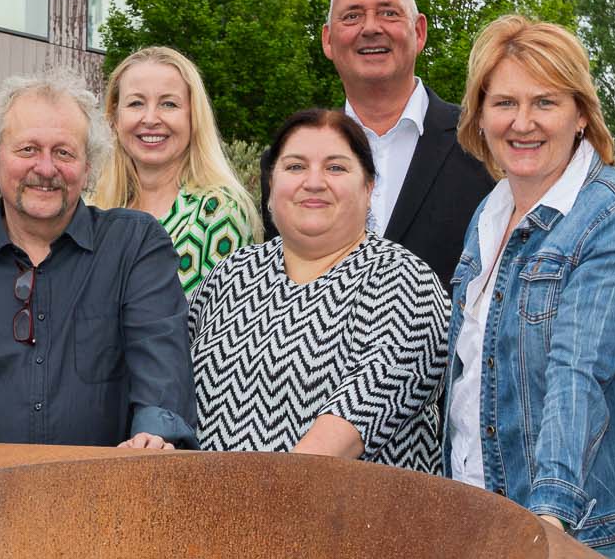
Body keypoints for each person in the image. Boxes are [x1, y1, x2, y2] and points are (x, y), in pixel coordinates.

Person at [443, 17, 615, 559]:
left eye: (544, 102)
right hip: (481, 511)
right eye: (504, 103)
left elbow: (579, 370)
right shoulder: (490, 212)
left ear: (581, 114)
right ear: (480, 115)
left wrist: (549, 513)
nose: (522, 122)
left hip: (580, 529)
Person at [0, 75, 195, 449]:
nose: (45, 169)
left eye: (64, 153)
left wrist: (155, 436)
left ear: (88, 168)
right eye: (28, 149)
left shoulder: (135, 246)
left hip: (106, 482)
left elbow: (161, 359)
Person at [190, 111, 449, 470]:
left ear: (369, 187)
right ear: (272, 182)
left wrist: (256, 499)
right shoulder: (231, 273)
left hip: (347, 504)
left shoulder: (405, 281)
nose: (313, 182)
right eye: (295, 167)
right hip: (208, 499)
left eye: (335, 168)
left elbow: (347, 428)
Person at [322, 0, 490, 285]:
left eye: (389, 13)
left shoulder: (483, 145)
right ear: (328, 41)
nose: (371, 28)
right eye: (352, 16)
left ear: (419, 32)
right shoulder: (290, 164)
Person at [90, 46, 259, 292]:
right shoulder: (94, 208)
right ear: (114, 118)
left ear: (193, 116)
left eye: (168, 104)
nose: (150, 119)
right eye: (136, 103)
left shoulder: (217, 212)